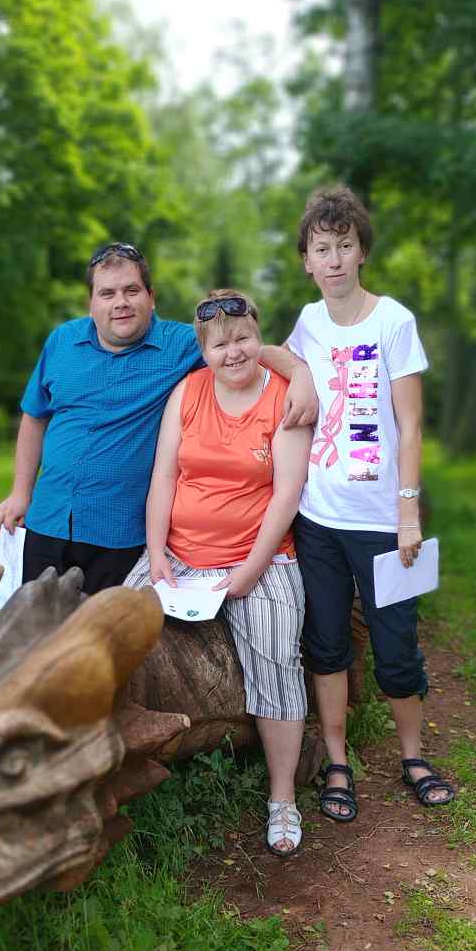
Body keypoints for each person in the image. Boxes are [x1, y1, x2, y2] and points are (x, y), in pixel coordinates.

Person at [0, 243, 317, 594]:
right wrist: (20, 493)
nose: (121, 302)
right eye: (107, 293)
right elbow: (34, 417)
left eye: (131, 290)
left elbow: (238, 348)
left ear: (151, 297)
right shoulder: (62, 341)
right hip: (48, 519)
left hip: (117, 536)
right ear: (91, 303)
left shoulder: (180, 344)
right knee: (36, 624)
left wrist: (300, 373)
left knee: (105, 629)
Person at [285, 185, 454, 821]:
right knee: (327, 643)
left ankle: (413, 757)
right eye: (321, 249)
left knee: (396, 646)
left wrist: (408, 512)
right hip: (318, 521)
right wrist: (299, 372)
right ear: (307, 260)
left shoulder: (393, 322)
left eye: (344, 246)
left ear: (361, 252)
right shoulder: (308, 323)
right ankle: (337, 762)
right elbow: (282, 364)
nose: (333, 260)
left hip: (383, 522)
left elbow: (411, 426)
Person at [124, 290, 312, 858]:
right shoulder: (187, 392)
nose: (233, 353)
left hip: (260, 556)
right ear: (203, 350)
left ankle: (282, 797)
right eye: (220, 344)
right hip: (180, 551)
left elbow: (287, 493)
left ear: (260, 339)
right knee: (112, 627)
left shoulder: (282, 398)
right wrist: (157, 553)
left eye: (243, 339)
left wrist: (251, 571)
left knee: (277, 655)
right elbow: (163, 478)